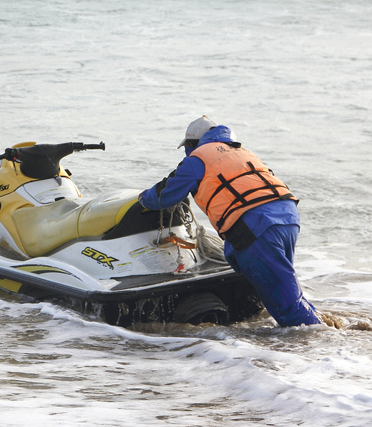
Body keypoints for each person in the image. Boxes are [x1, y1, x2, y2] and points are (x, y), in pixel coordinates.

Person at [138, 116, 322, 327]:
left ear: (193, 144)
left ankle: (318, 344)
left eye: (188, 146)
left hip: (256, 225)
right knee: (285, 290)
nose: (187, 151)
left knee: (286, 304)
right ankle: (323, 331)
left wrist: (140, 199)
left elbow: (164, 195)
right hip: (287, 216)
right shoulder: (242, 152)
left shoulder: (198, 159)